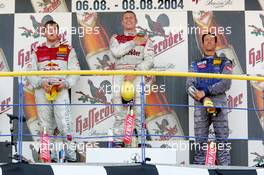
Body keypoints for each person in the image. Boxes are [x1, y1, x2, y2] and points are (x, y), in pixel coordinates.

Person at [26, 20, 80, 162]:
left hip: (60, 90)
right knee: (45, 125)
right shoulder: (37, 50)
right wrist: (40, 82)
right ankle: (46, 156)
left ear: (58, 31)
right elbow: (30, 72)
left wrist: (66, 82)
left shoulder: (68, 49)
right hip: (42, 90)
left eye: (54, 29)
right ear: (44, 32)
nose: (51, 32)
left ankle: (72, 156)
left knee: (64, 124)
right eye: (48, 29)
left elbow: (75, 71)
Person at [186, 33, 232, 165]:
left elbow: (226, 83)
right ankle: (199, 172)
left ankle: (226, 170)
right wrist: (201, 96)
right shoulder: (195, 64)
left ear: (216, 43)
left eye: (212, 39)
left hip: (219, 105)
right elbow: (189, 85)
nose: (209, 41)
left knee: (222, 141)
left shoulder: (225, 62)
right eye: (206, 40)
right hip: (201, 105)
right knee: (200, 142)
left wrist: (205, 91)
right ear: (203, 43)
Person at [110, 11, 154, 146]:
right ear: (122, 22)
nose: (128, 20)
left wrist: (135, 72)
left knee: (139, 110)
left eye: (131, 18)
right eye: (125, 18)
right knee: (119, 111)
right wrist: (134, 42)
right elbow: (116, 52)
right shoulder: (116, 38)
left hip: (137, 75)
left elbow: (149, 60)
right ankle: (118, 142)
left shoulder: (146, 39)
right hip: (120, 75)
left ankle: (141, 142)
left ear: (136, 21)